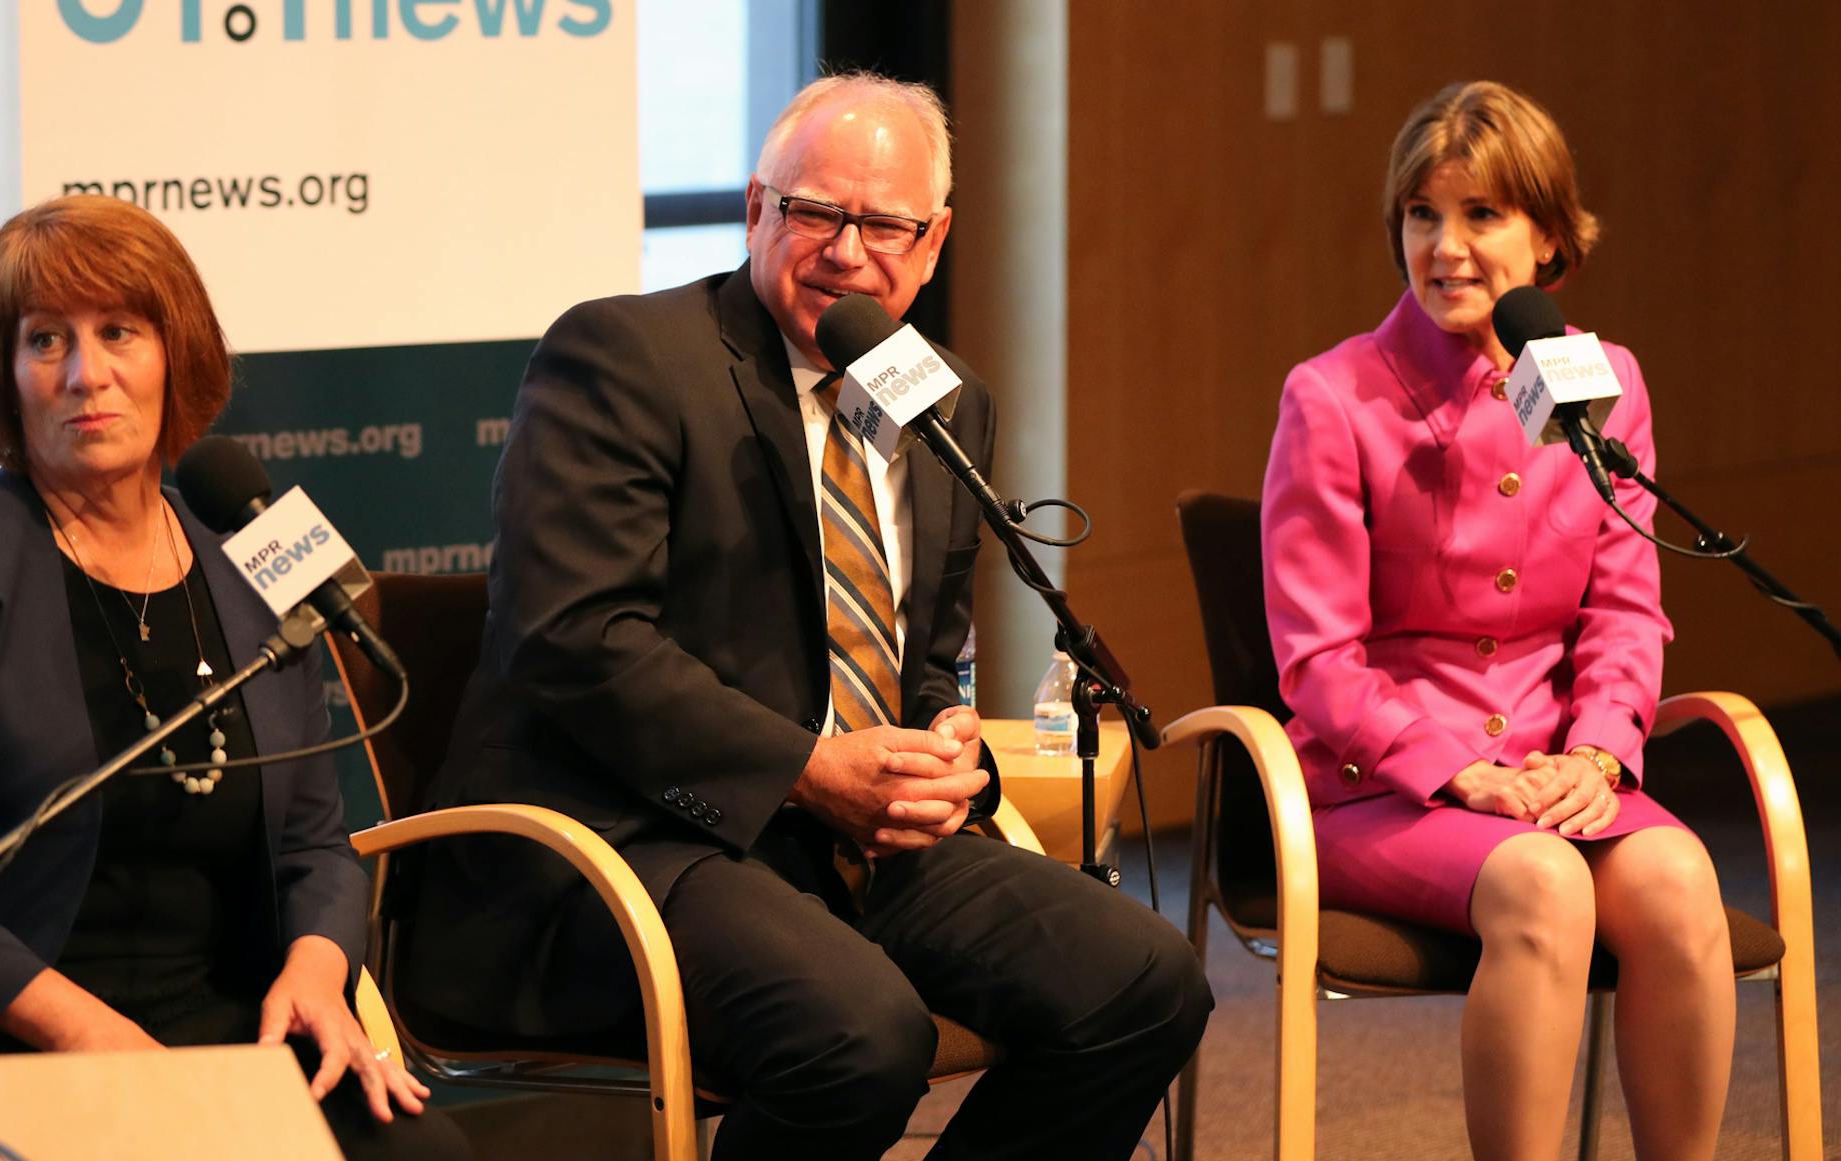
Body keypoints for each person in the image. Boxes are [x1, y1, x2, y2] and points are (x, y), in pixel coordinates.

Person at [404, 72, 1211, 1160]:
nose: (846, 250)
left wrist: (943, 738)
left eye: (884, 224)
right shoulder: (629, 359)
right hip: (638, 839)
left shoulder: (945, 398)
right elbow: (578, 639)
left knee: (1145, 981)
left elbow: (921, 655)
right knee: (858, 1038)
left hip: (857, 842)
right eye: (814, 211)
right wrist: (808, 770)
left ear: (933, 244)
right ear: (755, 210)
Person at [0, 195, 468, 1161]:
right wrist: (89, 1036)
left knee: (426, 1154)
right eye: (44, 340)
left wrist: (319, 972)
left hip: (238, 1030)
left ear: (174, 354)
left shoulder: (259, 554)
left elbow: (316, 839)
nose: (85, 374)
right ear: (8, 374)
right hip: (4, 1034)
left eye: (119, 331)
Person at [1261, 81, 1734, 1160]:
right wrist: (1456, 771)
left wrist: (1604, 755)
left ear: (1551, 239)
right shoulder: (1332, 398)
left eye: (1483, 216)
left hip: (1553, 769)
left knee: (1678, 881)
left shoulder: (1603, 382)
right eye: (1424, 216)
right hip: (1380, 786)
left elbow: (1626, 607)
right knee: (1542, 881)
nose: (1447, 247)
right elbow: (1318, 661)